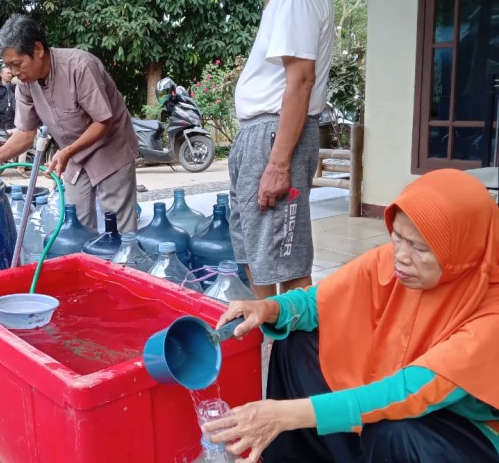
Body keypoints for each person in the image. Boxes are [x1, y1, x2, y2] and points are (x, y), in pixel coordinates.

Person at [205, 169, 499, 462]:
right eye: (398, 236)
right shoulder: (392, 263)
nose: (401, 255)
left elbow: (411, 391)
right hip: (393, 378)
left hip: (466, 428)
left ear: (465, 250)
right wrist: (267, 308)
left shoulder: (492, 315)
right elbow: (318, 302)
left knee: (394, 430)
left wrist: (284, 414)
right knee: (297, 342)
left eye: (420, 248)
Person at [227, 0, 334, 299]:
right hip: (260, 134)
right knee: (253, 250)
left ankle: (296, 335)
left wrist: (278, 164)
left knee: (286, 262)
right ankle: (267, 329)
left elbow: (301, 80)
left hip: (275, 136)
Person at [0, 14, 139, 232]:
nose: (14, 72)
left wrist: (67, 152)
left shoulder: (80, 67)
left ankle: (123, 253)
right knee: (75, 223)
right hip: (71, 156)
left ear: (38, 49)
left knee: (117, 226)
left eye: (17, 64)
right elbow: (25, 133)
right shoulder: (25, 84)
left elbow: (103, 121)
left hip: (110, 147)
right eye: (8, 66)